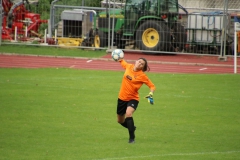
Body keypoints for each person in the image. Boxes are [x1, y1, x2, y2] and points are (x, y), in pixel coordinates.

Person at [116, 56, 156, 143]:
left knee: (128, 113)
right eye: (139, 62)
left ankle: (132, 138)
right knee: (120, 120)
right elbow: (122, 62)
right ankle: (132, 127)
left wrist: (151, 93)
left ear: (143, 67)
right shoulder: (128, 66)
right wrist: (119, 58)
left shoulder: (142, 76)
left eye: (142, 64)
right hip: (122, 98)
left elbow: (152, 86)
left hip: (133, 98)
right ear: (136, 61)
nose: (140, 64)